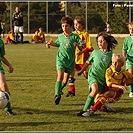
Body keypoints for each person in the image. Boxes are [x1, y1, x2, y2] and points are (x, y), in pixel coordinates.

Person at [76, 31, 118, 116]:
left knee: (98, 103)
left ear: (107, 42)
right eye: (98, 41)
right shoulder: (95, 52)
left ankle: (105, 107)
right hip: (93, 76)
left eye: (101, 41)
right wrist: (81, 71)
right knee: (94, 90)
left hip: (102, 80)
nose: (99, 43)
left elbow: (113, 68)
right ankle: (84, 111)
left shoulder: (111, 55)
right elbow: (87, 62)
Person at [45, 16, 84, 105]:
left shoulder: (75, 36)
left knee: (65, 81)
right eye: (63, 26)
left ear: (71, 27)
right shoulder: (60, 36)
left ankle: (59, 90)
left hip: (70, 61)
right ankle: (57, 94)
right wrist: (50, 44)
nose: (64, 28)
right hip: (61, 59)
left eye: (66, 26)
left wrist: (77, 45)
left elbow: (81, 48)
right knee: (60, 76)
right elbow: (58, 44)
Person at [66, 16, 93, 97]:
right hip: (73, 58)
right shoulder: (72, 34)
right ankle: (71, 91)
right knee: (71, 74)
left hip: (83, 58)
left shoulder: (85, 34)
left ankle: (93, 89)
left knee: (86, 75)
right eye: (74, 24)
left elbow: (90, 47)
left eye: (77, 24)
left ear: (82, 25)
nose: (76, 26)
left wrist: (82, 51)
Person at [0, 38, 15, 115]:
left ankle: (8, 109)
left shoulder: (0, 42)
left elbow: (2, 56)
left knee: (4, 85)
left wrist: (9, 65)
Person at [122, 22, 133, 98]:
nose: (131, 30)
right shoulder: (127, 38)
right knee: (130, 74)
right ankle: (131, 91)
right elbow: (124, 49)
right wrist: (123, 57)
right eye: (130, 29)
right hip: (130, 59)